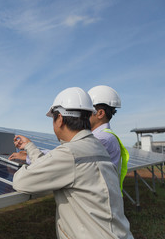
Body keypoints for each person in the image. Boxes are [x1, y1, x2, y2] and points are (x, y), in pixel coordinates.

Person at [12, 87, 133, 239]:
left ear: (60, 119)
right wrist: (30, 147)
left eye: (53, 119)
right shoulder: (96, 146)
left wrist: (25, 166)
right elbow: (57, 165)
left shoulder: (71, 153)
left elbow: (21, 182)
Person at [88, 85, 129, 192]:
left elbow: (72, 156)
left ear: (100, 113)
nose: (81, 115)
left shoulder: (102, 139)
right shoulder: (104, 136)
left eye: (86, 110)